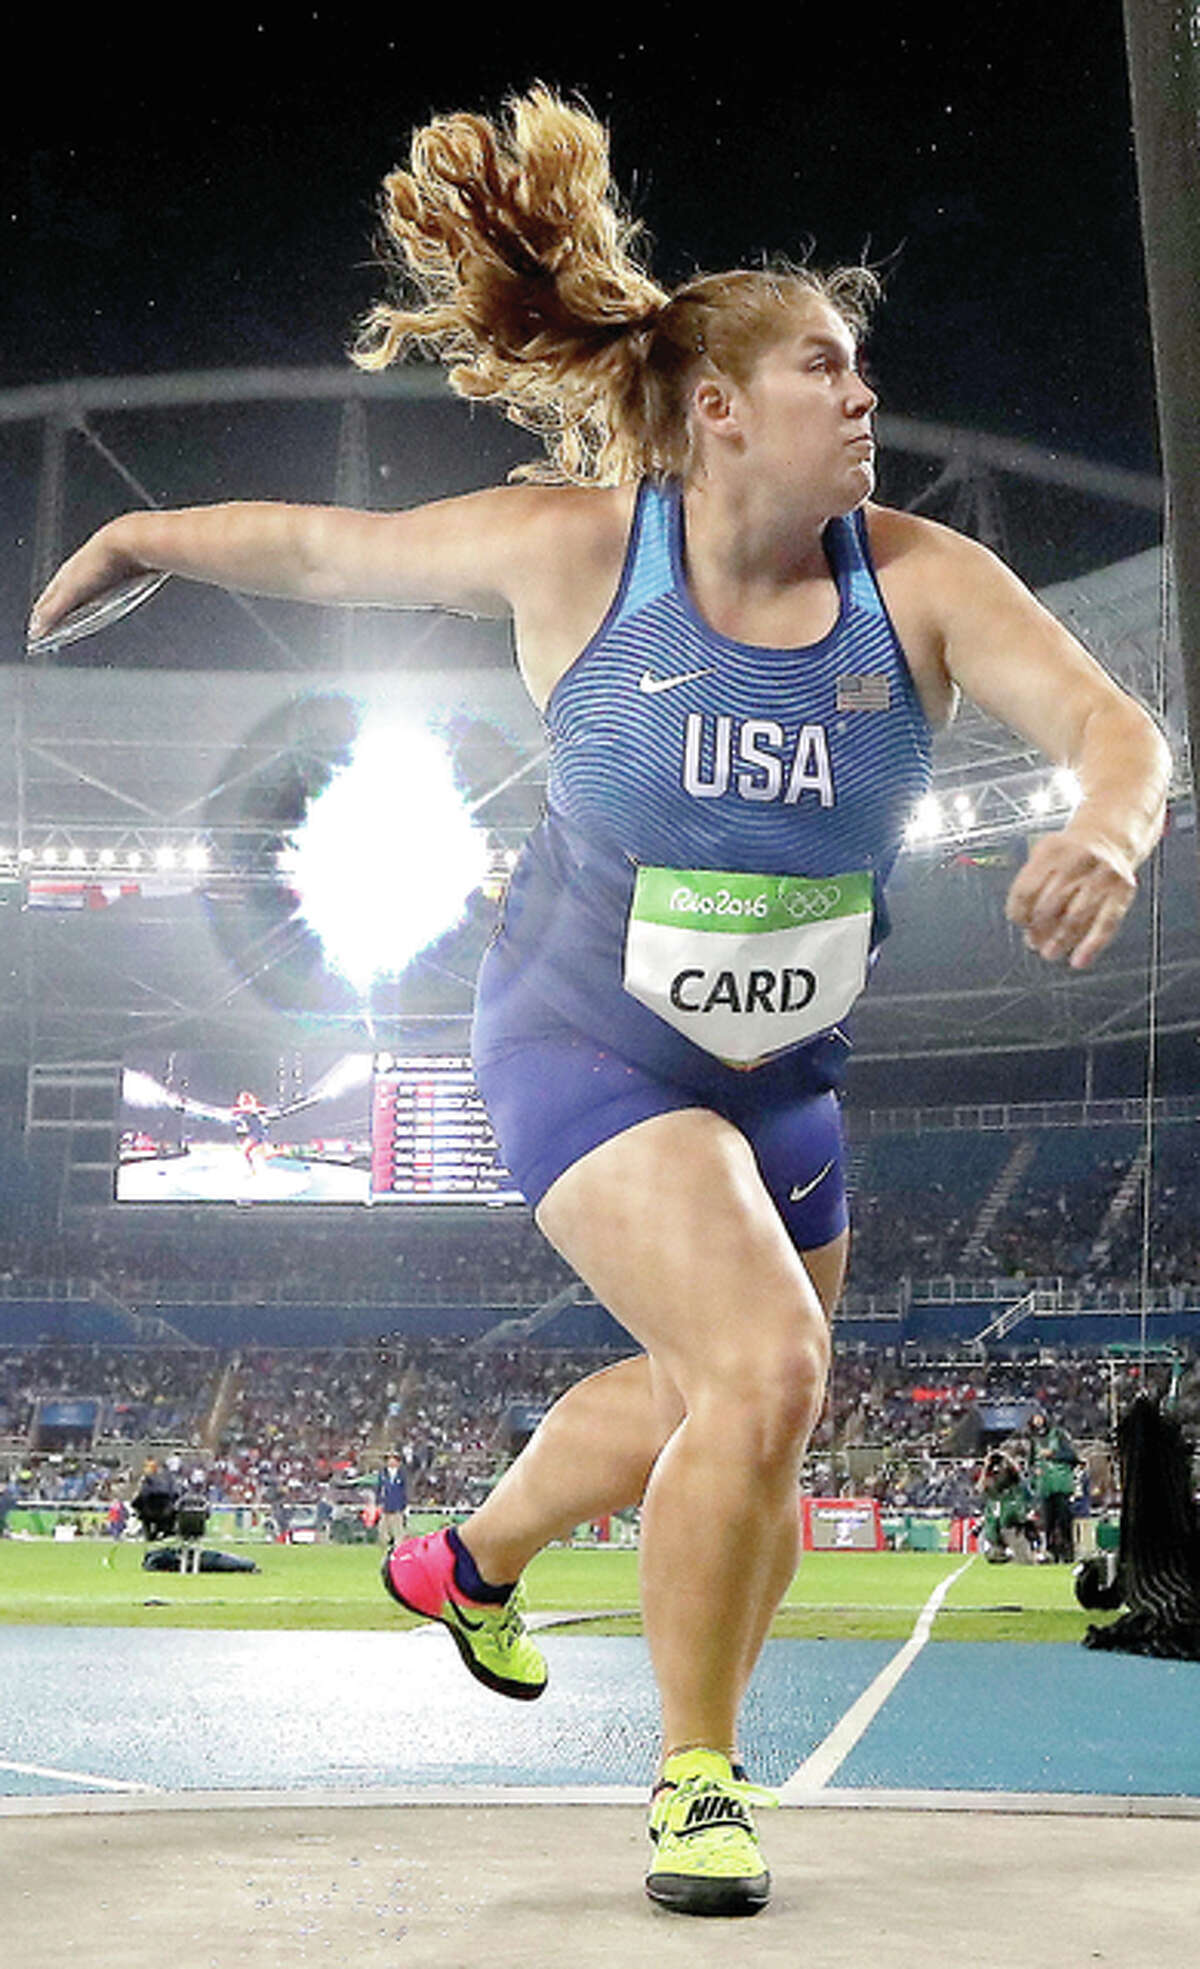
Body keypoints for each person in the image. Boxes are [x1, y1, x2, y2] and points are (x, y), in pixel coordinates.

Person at [28, 88, 1170, 1916]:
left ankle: (470, 1558)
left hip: (792, 1074)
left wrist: (1110, 831)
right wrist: (151, 536)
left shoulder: (927, 585)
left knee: (728, 1394)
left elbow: (1119, 726)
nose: (867, 396)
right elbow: (327, 550)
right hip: (582, 1040)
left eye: (865, 368)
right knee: (773, 1363)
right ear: (721, 411)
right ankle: (698, 1779)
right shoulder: (578, 554)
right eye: (826, 367)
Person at [1030, 1410, 1079, 1563]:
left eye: (1039, 1418)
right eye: (1034, 1419)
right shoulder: (1034, 1440)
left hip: (1061, 1485)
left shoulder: (1059, 1435)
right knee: (1048, 1523)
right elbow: (1031, 1462)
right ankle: (1051, 1553)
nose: (1037, 1421)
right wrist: (1034, 1471)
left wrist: (1053, 1455)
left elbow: (1072, 1457)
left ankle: (1068, 1552)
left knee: (1064, 1520)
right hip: (1045, 1487)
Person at [375, 1450, 409, 1547]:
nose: (391, 1462)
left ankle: (399, 1545)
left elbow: (404, 1490)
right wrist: (379, 1502)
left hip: (398, 1506)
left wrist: (404, 1505)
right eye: (389, 1460)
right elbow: (379, 1489)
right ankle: (386, 1543)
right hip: (385, 1505)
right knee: (382, 1528)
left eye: (393, 1460)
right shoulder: (383, 1474)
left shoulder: (402, 1474)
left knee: (398, 1528)